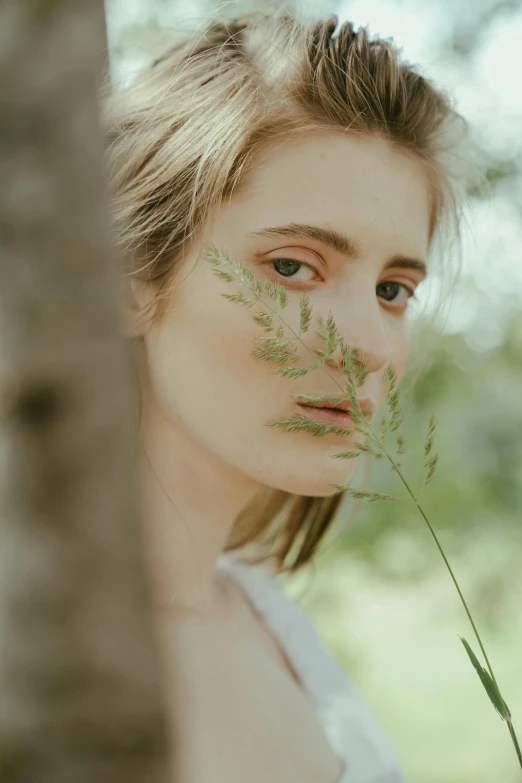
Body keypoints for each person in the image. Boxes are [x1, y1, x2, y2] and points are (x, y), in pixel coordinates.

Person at [102, 8, 469, 782]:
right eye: (294, 267)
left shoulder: (277, 632)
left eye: (394, 287)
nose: (369, 343)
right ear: (128, 276)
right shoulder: (34, 657)